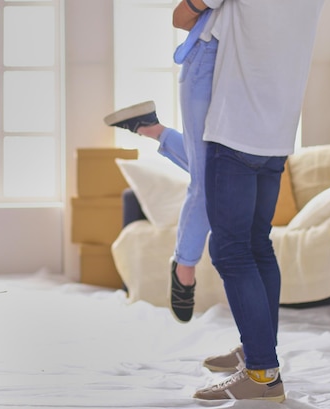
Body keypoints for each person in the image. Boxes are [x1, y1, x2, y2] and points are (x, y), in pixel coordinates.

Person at [191, 0, 326, 402]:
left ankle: (263, 373)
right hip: (278, 133)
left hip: (235, 130)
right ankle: (257, 352)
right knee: (256, 243)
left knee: (230, 250)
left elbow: (182, 17)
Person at [104, 0, 219, 323]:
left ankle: (150, 128)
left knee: (212, 170)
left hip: (234, 73)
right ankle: (184, 265)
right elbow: (181, 17)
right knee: (208, 179)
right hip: (207, 65)